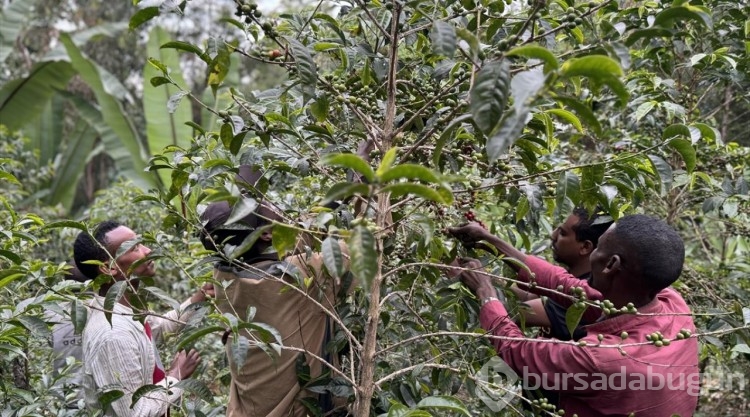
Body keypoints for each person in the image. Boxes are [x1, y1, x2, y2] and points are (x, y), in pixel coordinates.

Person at [447, 215, 699, 416]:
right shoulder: (670, 301)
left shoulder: (603, 357)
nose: (592, 255)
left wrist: (486, 292)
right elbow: (569, 287)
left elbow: (516, 350)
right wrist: (491, 241)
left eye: (598, 248)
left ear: (611, 264)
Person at [200, 198, 351, 417]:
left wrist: (337, 198)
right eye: (265, 208)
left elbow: (296, 236)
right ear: (265, 234)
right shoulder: (300, 275)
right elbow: (369, 242)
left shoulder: (223, 275)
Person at [73, 220, 213, 417]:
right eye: (135, 248)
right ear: (109, 268)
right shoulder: (113, 334)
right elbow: (136, 413)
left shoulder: (124, 309)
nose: (147, 250)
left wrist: (198, 298)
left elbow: (158, 328)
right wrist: (175, 376)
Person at [513, 207, 612, 341]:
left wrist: (486, 291)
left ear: (585, 247)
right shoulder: (573, 279)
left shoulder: (582, 296)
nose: (553, 235)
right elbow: (528, 296)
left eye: (562, 233)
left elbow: (519, 311)